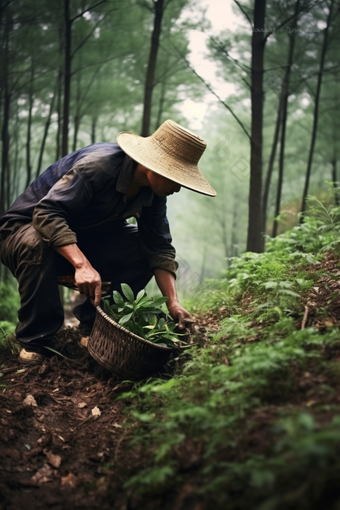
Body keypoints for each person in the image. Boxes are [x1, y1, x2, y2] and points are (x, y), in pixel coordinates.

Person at [0, 119, 216, 364]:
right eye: (177, 179)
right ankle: (35, 341)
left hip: (84, 240)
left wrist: (173, 302)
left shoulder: (154, 193)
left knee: (141, 249)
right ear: (155, 168)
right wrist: (81, 265)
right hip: (23, 235)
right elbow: (46, 214)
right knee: (35, 241)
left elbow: (158, 246)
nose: (178, 188)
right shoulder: (97, 167)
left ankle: (92, 326)